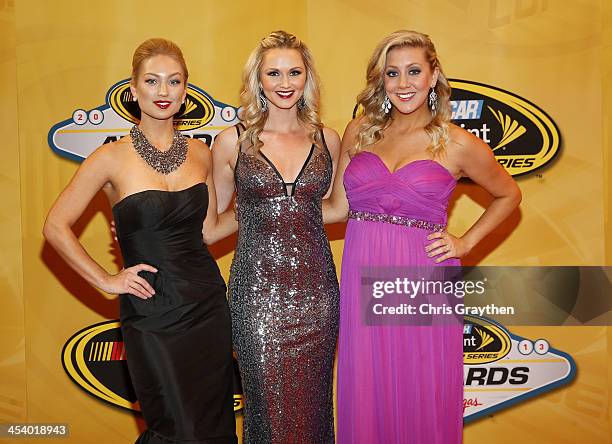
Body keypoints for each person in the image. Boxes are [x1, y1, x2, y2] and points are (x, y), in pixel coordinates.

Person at [323, 30, 522, 443]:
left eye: (414, 71)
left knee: (420, 387)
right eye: (392, 74)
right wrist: (269, 212)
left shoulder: (457, 143)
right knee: (370, 384)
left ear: (433, 76)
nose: (403, 83)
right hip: (363, 271)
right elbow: (338, 207)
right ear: (381, 81)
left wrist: (465, 242)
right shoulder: (358, 131)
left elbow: (509, 194)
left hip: (421, 275)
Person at [43, 38, 237, 444]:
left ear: (186, 92)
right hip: (150, 313)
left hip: (206, 305)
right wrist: (105, 279)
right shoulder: (109, 157)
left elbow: (210, 229)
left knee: (212, 425)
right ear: (133, 91)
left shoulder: (203, 153)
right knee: (175, 428)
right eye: (152, 81)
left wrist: (272, 208)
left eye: (174, 81)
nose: (163, 91)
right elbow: (55, 226)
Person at [211, 31, 340, 443]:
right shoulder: (232, 141)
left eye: (294, 72)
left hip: (317, 294)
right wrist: (142, 230)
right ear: (258, 80)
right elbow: (212, 223)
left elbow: (337, 208)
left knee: (314, 408)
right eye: (274, 73)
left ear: (307, 78)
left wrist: (286, 209)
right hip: (256, 296)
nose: (285, 83)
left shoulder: (327, 139)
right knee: (266, 410)